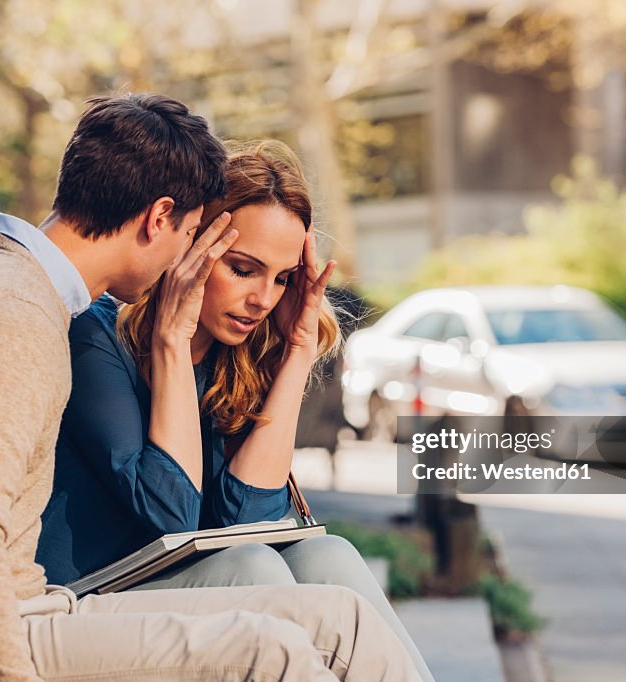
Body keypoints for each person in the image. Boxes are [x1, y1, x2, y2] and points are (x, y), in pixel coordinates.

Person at [0, 95, 421, 682]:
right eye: (190, 233)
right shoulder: (16, 318)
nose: (185, 255)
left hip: (14, 615)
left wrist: (292, 350)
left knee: (342, 619)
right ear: (160, 218)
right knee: (275, 652)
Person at [36, 140, 434, 681]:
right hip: (85, 600)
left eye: (282, 278)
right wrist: (172, 341)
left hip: (187, 585)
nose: (264, 299)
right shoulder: (95, 335)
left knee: (329, 558)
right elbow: (169, 516)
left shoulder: (238, 358)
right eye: (244, 269)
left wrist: (297, 352)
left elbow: (249, 522)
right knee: (251, 567)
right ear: (192, 247)